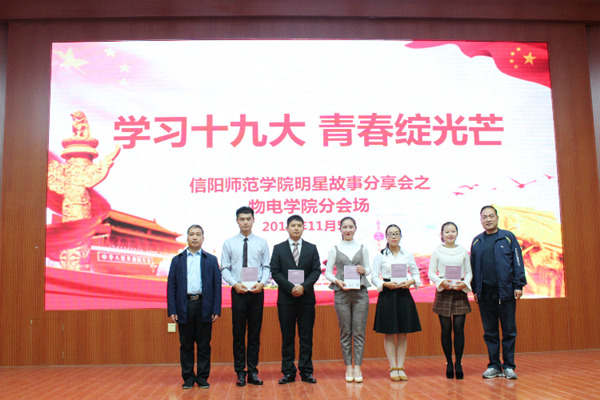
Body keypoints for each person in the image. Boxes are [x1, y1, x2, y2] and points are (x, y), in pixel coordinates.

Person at [470, 205, 527, 380]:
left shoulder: (508, 237)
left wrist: (519, 285)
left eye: (491, 216)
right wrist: (475, 289)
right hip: (485, 295)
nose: (488, 219)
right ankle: (494, 365)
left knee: (509, 331)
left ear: (497, 218)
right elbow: (473, 268)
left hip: (506, 293)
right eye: (485, 217)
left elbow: (518, 261)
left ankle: (508, 366)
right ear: (481, 220)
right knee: (490, 332)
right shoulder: (477, 241)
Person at [167, 225, 222, 389]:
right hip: (184, 306)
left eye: (198, 234)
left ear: (203, 238)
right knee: (186, 345)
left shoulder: (211, 260)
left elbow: (217, 286)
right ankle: (188, 378)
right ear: (187, 238)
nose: (195, 237)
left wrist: (216, 309)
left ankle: (203, 377)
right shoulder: (177, 260)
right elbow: (171, 286)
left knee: (204, 345)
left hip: (204, 305)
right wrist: (173, 310)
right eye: (191, 234)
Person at [221, 206, 271, 386]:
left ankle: (253, 371)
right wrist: (235, 284)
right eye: (242, 219)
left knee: (254, 334)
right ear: (237, 221)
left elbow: (266, 267)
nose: (245, 222)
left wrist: (262, 283)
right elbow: (224, 268)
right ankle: (240, 372)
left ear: (253, 220)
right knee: (238, 334)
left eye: (248, 219)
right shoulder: (229, 243)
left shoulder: (262, 242)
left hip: (257, 292)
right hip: (238, 292)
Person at [270, 215, 322, 384]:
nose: (296, 228)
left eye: (299, 225)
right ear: (287, 228)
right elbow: (275, 271)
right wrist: (291, 287)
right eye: (293, 225)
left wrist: (303, 287)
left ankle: (306, 371)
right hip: (286, 299)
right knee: (287, 337)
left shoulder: (311, 248)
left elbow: (316, 271)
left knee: (306, 336)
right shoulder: (278, 248)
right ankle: (288, 372)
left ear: (303, 228)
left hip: (306, 299)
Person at [371, 224, 422, 382]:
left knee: (403, 332)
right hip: (387, 294)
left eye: (396, 234)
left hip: (403, 294)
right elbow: (373, 277)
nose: (393, 237)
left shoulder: (407, 254)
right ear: (386, 237)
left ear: (401, 236)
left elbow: (416, 273)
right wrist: (385, 284)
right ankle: (393, 367)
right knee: (389, 332)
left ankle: (401, 366)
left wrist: (411, 281)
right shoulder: (380, 255)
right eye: (390, 234)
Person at [325, 216, 371, 383]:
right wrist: (337, 281)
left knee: (359, 331)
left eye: (351, 227)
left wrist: (364, 270)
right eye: (345, 227)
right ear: (340, 229)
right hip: (341, 293)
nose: (348, 230)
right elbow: (328, 272)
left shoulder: (362, 248)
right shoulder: (335, 249)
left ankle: (358, 366)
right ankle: (348, 367)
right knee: (345, 332)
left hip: (360, 294)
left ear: (355, 228)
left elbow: (369, 269)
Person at [428, 222, 472, 379]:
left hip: (459, 291)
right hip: (444, 291)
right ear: (442, 235)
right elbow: (431, 272)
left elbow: (469, 272)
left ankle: (458, 363)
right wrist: (441, 282)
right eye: (447, 232)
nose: (450, 234)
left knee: (459, 328)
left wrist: (464, 283)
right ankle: (449, 362)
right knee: (446, 329)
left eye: (453, 231)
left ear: (457, 233)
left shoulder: (463, 251)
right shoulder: (437, 251)